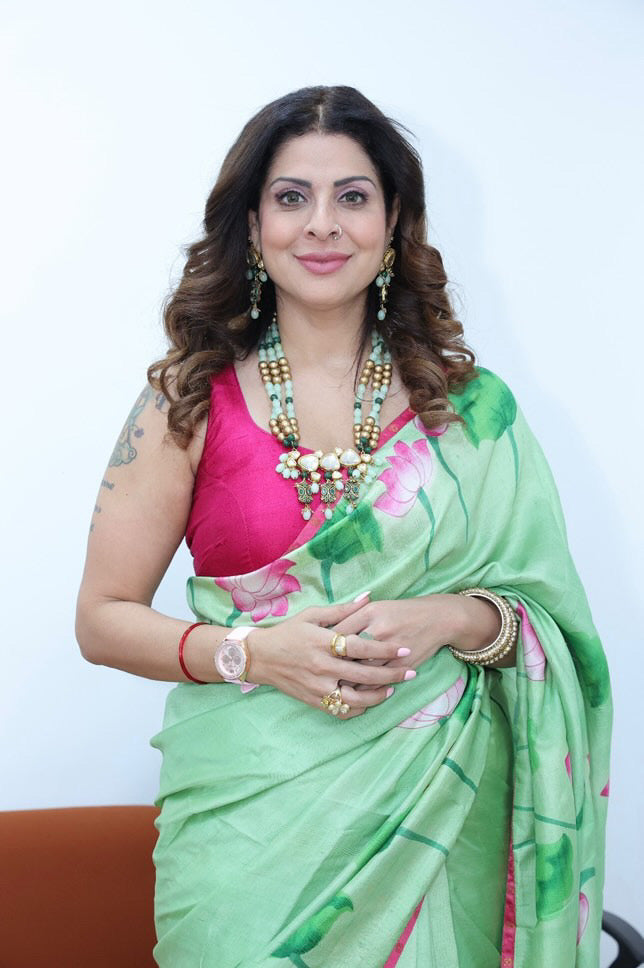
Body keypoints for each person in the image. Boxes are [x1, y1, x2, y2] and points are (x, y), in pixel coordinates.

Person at [76, 86, 611, 967]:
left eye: (352, 196)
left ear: (393, 222)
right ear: (253, 226)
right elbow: (101, 618)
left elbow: (550, 620)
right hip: (252, 834)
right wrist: (253, 653)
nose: (322, 224)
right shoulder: (186, 402)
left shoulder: (472, 411)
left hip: (442, 817)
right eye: (292, 197)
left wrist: (448, 617)